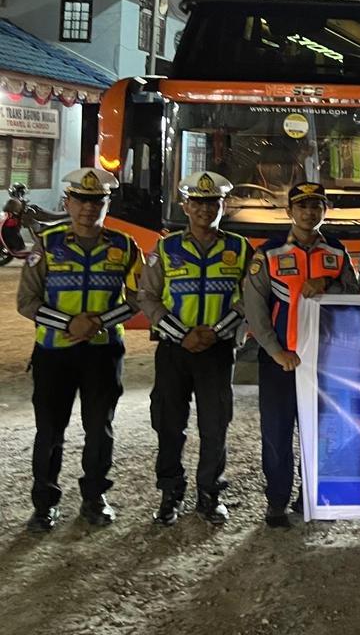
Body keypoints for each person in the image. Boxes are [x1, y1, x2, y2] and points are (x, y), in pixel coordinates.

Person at [17, 168, 142, 533]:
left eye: (97, 201)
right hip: (54, 352)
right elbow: (26, 301)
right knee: (49, 430)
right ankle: (44, 504)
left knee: (99, 429)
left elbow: (137, 298)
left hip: (103, 352)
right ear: (67, 203)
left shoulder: (124, 246)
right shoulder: (46, 245)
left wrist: (99, 321)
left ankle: (94, 498)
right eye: (82, 200)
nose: (89, 208)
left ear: (107, 204)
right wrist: (68, 324)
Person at [239, 182, 358, 527]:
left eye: (316, 205)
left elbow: (352, 292)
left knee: (322, 431)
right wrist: (276, 352)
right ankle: (276, 501)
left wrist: (327, 283)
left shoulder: (337, 251)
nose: (309, 212)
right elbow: (255, 308)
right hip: (281, 360)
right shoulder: (269, 252)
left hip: (325, 360)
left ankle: (311, 497)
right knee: (277, 432)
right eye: (302, 206)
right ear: (290, 212)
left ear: (325, 210)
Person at [139, 171, 249, 526]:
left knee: (215, 425)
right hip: (174, 350)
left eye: (212, 202)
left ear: (223, 206)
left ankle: (209, 494)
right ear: (185, 206)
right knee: (169, 424)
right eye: (198, 202)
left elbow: (249, 300)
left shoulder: (240, 248)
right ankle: (170, 493)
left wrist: (216, 332)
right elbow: (148, 297)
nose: (205, 209)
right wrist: (182, 333)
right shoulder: (166, 249)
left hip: (217, 352)